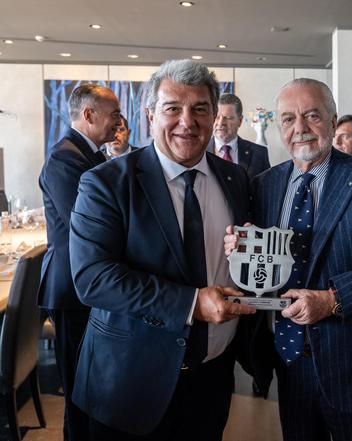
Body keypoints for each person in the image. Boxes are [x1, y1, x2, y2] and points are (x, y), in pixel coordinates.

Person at [68, 59, 256, 441]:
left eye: (200, 109)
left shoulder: (236, 179)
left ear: (213, 115)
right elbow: (93, 278)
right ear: (150, 115)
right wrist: (191, 304)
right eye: (173, 108)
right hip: (130, 384)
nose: (187, 121)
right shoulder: (105, 183)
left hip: (212, 379)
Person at [226, 78, 352, 441]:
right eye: (288, 119)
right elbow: (261, 263)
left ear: (332, 119)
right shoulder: (264, 185)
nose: (300, 128)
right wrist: (240, 248)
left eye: (312, 115)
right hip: (289, 362)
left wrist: (332, 299)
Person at [39, 83, 120, 441]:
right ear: (89, 115)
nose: (120, 121)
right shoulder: (65, 158)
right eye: (114, 114)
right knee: (78, 392)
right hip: (72, 290)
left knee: (93, 389)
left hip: (90, 287)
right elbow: (87, 224)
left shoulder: (90, 155)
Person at [207, 93, 270, 179]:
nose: (221, 123)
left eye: (228, 118)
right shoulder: (199, 152)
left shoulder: (259, 153)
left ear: (240, 121)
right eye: (216, 117)